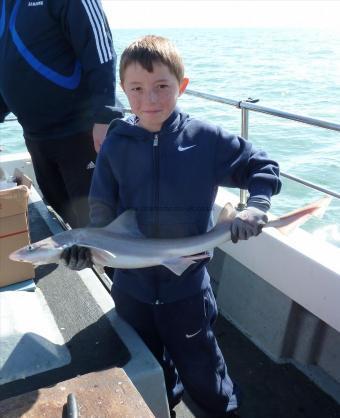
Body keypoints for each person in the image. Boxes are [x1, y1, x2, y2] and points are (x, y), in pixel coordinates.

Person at [62, 35, 281, 417]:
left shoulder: (205, 139)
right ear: (124, 93)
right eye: (137, 89)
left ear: (182, 86)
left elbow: (261, 167)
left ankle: (222, 411)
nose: (150, 100)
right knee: (149, 364)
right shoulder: (116, 144)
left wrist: (256, 205)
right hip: (132, 289)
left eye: (162, 87)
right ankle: (167, 405)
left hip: (187, 287)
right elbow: (102, 206)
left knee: (202, 366)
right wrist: (89, 249)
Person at [0, 0, 122, 227]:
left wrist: (105, 115)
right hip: (37, 138)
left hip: (81, 134)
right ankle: (89, 260)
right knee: (67, 214)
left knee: (100, 222)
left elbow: (98, 44)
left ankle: (115, 263)